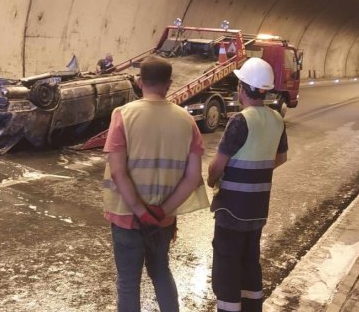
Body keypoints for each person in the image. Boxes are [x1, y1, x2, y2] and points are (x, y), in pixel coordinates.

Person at [102, 57, 210, 312]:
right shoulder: (187, 121)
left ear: (140, 82)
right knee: (161, 273)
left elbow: (118, 173)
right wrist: (160, 212)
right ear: (169, 84)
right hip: (162, 220)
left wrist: (141, 212)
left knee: (128, 283)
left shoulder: (123, 115)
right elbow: (193, 176)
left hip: (126, 217)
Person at [207, 57, 288, 312]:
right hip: (257, 208)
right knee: (250, 262)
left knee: (227, 265)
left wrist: (213, 180)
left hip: (231, 209)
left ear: (243, 88)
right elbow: (281, 157)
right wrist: (258, 171)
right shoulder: (276, 119)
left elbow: (217, 165)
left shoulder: (241, 120)